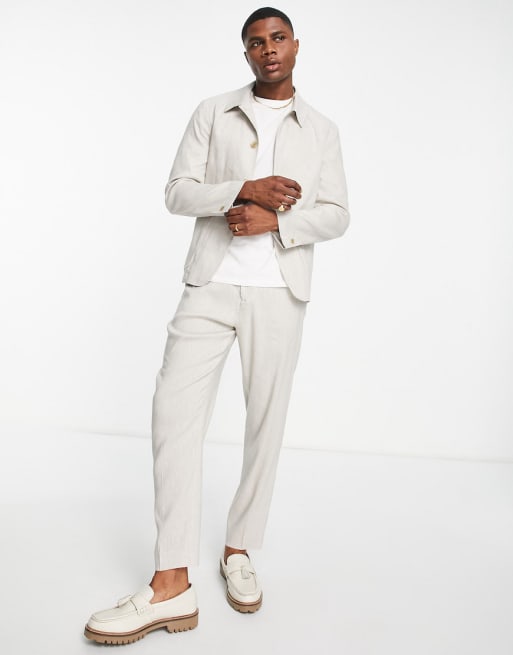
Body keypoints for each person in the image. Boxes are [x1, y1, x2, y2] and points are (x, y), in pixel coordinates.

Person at [84, 6, 349, 645]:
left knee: (265, 425)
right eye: (256, 42)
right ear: (246, 53)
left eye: (278, 38)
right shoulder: (213, 112)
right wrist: (244, 190)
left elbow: (338, 213)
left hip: (279, 292)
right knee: (172, 415)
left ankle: (239, 549)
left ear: (295, 45)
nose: (268, 49)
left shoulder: (322, 129)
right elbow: (177, 191)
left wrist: (278, 222)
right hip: (210, 284)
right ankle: (171, 581)